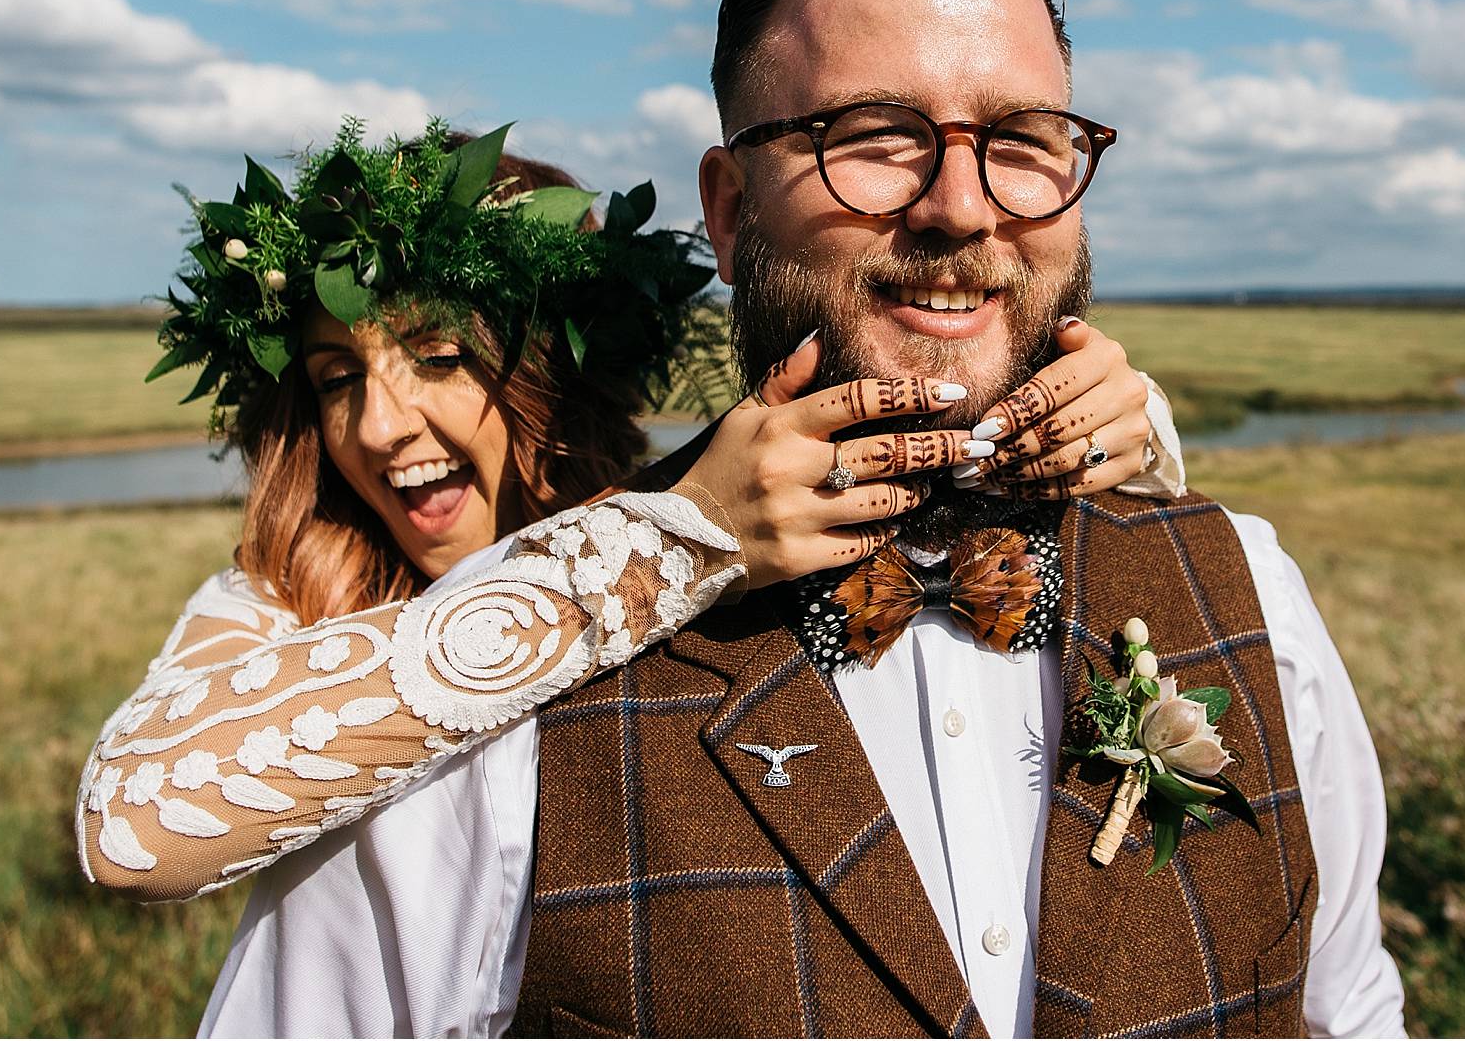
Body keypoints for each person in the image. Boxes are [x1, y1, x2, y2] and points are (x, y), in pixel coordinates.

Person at [203, 0, 1405, 1038]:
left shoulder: (1250, 591)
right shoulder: (506, 684)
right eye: (873, 135)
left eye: (1024, 140)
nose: (963, 206)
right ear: (728, 211)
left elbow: (1346, 1009)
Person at [79, 124, 1188, 901]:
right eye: (334, 379)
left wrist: (1106, 418)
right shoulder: (285, 596)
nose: (376, 426)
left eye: (440, 355)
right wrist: (663, 546)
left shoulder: (721, 519)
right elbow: (128, 834)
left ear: (558, 377)